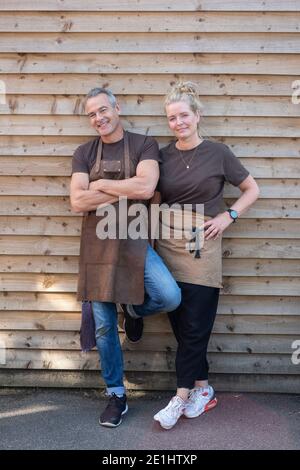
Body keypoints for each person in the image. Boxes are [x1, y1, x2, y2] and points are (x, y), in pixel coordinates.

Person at [70, 87, 181, 428]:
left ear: (117, 107)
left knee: (169, 295)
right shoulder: (84, 152)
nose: (98, 118)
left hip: (134, 240)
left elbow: (146, 188)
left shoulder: (143, 145)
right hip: (97, 246)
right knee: (104, 327)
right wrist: (121, 187)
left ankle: (133, 309)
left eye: (103, 110)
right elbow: (77, 202)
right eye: (91, 114)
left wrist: (100, 185)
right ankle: (116, 394)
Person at [153, 82, 260, 430]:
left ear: (197, 116)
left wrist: (228, 216)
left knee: (196, 326)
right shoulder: (162, 155)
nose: (178, 122)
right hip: (167, 245)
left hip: (203, 244)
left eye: (184, 115)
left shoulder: (219, 152)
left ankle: (180, 398)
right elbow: (153, 198)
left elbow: (251, 189)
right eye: (172, 118)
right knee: (182, 326)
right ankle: (203, 388)